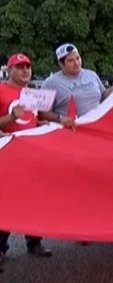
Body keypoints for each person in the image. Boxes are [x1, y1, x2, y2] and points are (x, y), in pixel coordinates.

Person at [0, 53, 53, 273]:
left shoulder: (33, 93)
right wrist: (12, 117)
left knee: (33, 199)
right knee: (7, 202)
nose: (25, 71)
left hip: (31, 154)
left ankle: (34, 242)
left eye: (28, 67)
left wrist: (58, 120)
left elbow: (40, 116)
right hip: (8, 154)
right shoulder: (1, 90)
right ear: (9, 70)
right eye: (20, 67)